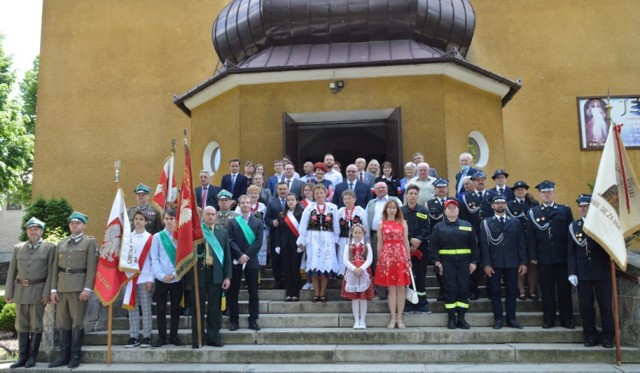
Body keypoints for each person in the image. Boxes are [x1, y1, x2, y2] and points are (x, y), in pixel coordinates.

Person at [48, 212, 98, 368]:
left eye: (77, 223)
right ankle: (64, 356)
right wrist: (53, 289)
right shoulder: (61, 243)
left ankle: (75, 356)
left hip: (79, 288)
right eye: (72, 223)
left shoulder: (89, 242)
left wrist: (88, 288)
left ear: (84, 225)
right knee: (63, 322)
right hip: (62, 287)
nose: (74, 225)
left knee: (77, 322)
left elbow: (91, 267)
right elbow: (55, 268)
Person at [5, 217, 55, 368]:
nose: (34, 231)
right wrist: (9, 291)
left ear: (41, 231)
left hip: (39, 292)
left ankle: (32, 358)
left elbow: (52, 273)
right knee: (21, 325)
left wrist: (47, 293)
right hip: (20, 292)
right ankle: (22, 358)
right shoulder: (18, 248)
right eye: (31, 229)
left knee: (36, 325)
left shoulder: (50, 248)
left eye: (37, 229)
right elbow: (12, 271)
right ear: (27, 231)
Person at [526, 180, 574, 329]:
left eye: (549, 192)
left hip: (562, 257)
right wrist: (533, 255)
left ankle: (567, 319)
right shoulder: (534, 212)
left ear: (554, 193)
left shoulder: (564, 210)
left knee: (564, 290)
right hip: (544, 257)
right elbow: (530, 236)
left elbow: (571, 235)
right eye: (544, 192)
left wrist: (570, 256)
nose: (546, 195)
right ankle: (549, 319)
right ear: (540, 195)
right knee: (547, 290)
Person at [568, 194, 614, 348]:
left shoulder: (602, 226)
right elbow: (571, 252)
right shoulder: (574, 226)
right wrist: (572, 272)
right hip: (583, 273)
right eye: (580, 206)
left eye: (586, 206)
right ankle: (590, 336)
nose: (582, 209)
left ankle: (608, 336)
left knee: (605, 305)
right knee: (586, 306)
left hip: (602, 271)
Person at [429, 199, 478, 330]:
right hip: (447, 263)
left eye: (454, 207)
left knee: (463, 289)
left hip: (464, 263)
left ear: (458, 210)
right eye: (449, 208)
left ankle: (461, 318)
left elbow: (474, 245)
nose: (452, 209)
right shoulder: (438, 227)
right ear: (444, 211)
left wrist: (474, 261)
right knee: (450, 290)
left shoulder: (467, 225)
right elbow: (433, 246)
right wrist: (437, 261)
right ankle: (451, 319)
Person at [480, 195, 528, 329]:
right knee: (495, 292)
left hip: (512, 263)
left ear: (506, 204)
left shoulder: (515, 222)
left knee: (512, 292)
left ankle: (511, 319)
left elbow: (521, 243)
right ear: (492, 206)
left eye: (502, 202)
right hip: (494, 263)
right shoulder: (486, 223)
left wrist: (523, 262)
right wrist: (486, 264)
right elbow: (484, 245)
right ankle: (498, 319)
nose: (500, 205)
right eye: (497, 203)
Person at [187, 206, 231, 348]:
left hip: (216, 274)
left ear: (216, 217)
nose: (211, 216)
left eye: (213, 214)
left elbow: (227, 257)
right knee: (197, 307)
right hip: (199, 274)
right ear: (203, 216)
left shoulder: (222, 233)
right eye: (208, 214)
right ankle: (197, 338)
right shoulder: (195, 232)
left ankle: (213, 338)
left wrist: (227, 277)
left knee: (214, 308)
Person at [297, 184, 340, 302]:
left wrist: (335, 242)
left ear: (326, 193)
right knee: (314, 265)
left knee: (325, 266)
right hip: (313, 238)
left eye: (321, 193)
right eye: (317, 193)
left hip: (327, 239)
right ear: (313, 195)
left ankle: (323, 292)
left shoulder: (333, 208)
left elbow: (336, 227)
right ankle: (316, 292)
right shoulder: (309, 208)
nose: (319, 195)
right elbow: (303, 225)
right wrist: (303, 241)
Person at [227, 195, 264, 331]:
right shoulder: (233, 222)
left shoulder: (258, 222)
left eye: (248, 202)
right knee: (233, 292)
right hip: (236, 260)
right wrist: (240, 255)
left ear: (251, 204)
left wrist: (246, 255)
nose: (245, 205)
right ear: (239, 205)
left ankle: (253, 320)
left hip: (251, 261)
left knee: (253, 292)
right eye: (243, 202)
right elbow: (230, 240)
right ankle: (234, 320)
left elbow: (259, 242)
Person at [374, 200, 411, 329]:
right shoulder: (381, 224)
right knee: (391, 289)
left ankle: (400, 318)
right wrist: (380, 259)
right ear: (385, 210)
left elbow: (406, 241)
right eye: (389, 208)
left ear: (397, 210)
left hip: (400, 255)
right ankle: (393, 318)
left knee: (401, 288)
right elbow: (380, 242)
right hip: (387, 256)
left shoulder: (403, 223)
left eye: (394, 208)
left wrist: (408, 258)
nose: (391, 210)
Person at [458, 171, 494, 300]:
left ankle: (491, 289)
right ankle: (473, 289)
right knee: (473, 262)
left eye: (482, 179)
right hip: (473, 234)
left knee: (490, 261)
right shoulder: (466, 197)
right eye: (477, 180)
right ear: (473, 182)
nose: (480, 181)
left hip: (491, 235)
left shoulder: (493, 196)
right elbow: (463, 217)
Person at [149, 208, 183, 347]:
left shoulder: (181, 236)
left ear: (176, 220)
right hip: (161, 279)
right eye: (167, 219)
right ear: (163, 220)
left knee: (176, 309)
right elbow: (154, 258)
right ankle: (162, 337)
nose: (169, 221)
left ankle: (173, 336)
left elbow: (183, 257)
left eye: (172, 219)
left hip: (177, 278)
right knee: (161, 309)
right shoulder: (157, 237)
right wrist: (161, 275)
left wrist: (175, 274)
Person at [366, 182, 402, 300]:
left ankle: (395, 292)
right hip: (376, 236)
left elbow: (401, 217)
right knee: (378, 264)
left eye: (383, 187)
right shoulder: (371, 203)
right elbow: (366, 220)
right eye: (378, 188)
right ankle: (381, 293)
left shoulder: (395, 200)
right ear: (374, 191)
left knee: (395, 265)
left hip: (394, 237)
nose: (380, 189)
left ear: (387, 189)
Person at [124, 211, 154, 349]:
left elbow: (153, 260)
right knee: (132, 308)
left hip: (145, 278)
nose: (138, 221)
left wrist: (151, 279)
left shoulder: (150, 238)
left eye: (141, 219)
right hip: (130, 278)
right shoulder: (127, 238)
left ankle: (147, 336)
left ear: (146, 222)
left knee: (146, 308)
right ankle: (134, 336)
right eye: (136, 219)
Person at [507, 180, 540, 301]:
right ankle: (521, 290)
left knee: (532, 264)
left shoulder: (533, 203)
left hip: (531, 238)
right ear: (514, 192)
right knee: (520, 264)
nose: (520, 191)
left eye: (522, 189)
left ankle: (532, 290)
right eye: (517, 189)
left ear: (526, 191)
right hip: (516, 238)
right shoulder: (509, 204)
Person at [401, 184, 431, 314]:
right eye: (410, 193)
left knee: (420, 275)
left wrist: (418, 241)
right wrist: (410, 239)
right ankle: (408, 303)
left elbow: (426, 228)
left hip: (421, 249)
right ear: (406, 196)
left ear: (418, 196)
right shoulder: (401, 212)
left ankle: (421, 303)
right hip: (404, 248)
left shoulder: (423, 211)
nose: (412, 196)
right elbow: (399, 228)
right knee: (407, 276)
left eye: (415, 193)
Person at [341, 224, 374, 329]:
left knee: (363, 298)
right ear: (352, 233)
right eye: (356, 232)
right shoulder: (348, 246)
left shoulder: (367, 246)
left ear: (363, 233)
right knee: (355, 298)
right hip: (352, 273)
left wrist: (362, 269)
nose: (358, 235)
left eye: (360, 233)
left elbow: (369, 259)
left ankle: (363, 320)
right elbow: (345, 260)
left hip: (364, 273)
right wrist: (354, 269)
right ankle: (356, 320)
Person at [274, 193, 305, 301]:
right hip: (284, 245)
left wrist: (302, 244)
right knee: (286, 269)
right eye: (288, 200)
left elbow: (303, 231)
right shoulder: (282, 214)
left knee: (294, 269)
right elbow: (278, 231)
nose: (290, 202)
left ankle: (295, 293)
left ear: (297, 201)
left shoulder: (302, 214)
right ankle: (288, 293)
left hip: (296, 245)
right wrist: (277, 245)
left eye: (292, 200)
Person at [426, 178, 450, 301]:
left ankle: (451, 290)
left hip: (452, 240)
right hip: (437, 240)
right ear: (435, 189)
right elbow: (427, 223)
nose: (441, 189)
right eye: (438, 187)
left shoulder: (454, 202)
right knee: (438, 267)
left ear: (447, 188)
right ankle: (442, 290)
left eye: (443, 187)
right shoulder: (429, 204)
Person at [336, 189, 369, 277]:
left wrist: (366, 240)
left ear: (354, 199)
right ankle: (343, 277)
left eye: (349, 198)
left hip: (356, 240)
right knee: (344, 257)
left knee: (355, 258)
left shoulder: (360, 211)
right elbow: (336, 227)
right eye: (345, 199)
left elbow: (365, 227)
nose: (347, 200)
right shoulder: (340, 211)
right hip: (343, 239)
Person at [266, 182, 289, 289]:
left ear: (287, 190)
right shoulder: (271, 203)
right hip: (276, 235)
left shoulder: (292, 201)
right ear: (277, 190)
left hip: (289, 235)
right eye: (280, 189)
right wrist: (272, 222)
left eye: (284, 189)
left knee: (288, 259)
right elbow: (267, 218)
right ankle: (278, 281)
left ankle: (288, 281)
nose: (283, 191)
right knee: (276, 260)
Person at [237, 185, 268, 268]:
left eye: (256, 193)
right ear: (247, 194)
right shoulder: (241, 206)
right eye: (251, 193)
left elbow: (265, 220)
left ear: (259, 194)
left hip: (259, 233)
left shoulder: (262, 206)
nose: (254, 195)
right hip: (244, 232)